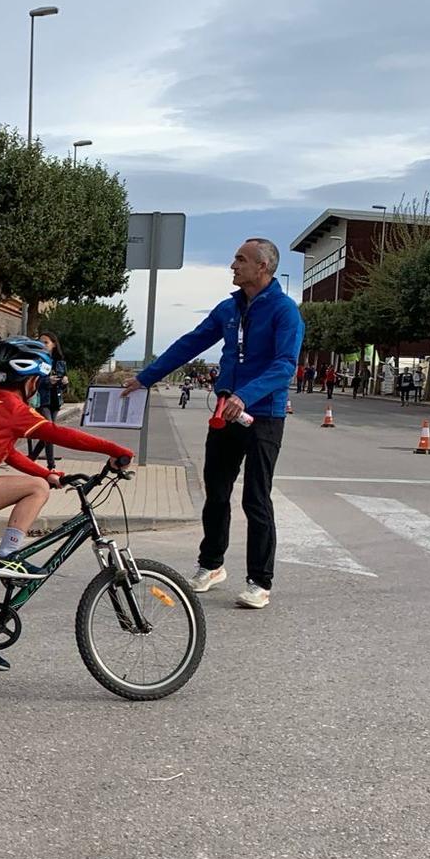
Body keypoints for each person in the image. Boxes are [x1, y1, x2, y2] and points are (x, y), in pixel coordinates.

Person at [0, 338, 134, 670]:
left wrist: (48, 472)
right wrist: (114, 449)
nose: (38, 389)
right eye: (38, 382)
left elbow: (7, 452)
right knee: (35, 490)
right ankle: (11, 555)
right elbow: (60, 434)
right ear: (30, 381)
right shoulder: (14, 408)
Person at [122, 237, 302, 610]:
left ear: (262, 267)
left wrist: (246, 395)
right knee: (216, 492)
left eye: (240, 259)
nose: (233, 266)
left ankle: (259, 582)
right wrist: (146, 377)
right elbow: (189, 344)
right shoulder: (228, 309)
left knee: (256, 496)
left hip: (263, 414)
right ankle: (211, 565)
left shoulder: (285, 311)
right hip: (225, 412)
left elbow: (285, 364)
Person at [26, 332, 70, 465]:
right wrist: (47, 381)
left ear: (54, 345)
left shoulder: (60, 363)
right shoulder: (37, 361)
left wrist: (65, 382)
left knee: (48, 433)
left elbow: (64, 386)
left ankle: (32, 457)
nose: (43, 345)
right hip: (42, 400)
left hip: (56, 400)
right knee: (50, 431)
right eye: (41, 342)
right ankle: (51, 465)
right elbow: (32, 382)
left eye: (46, 342)